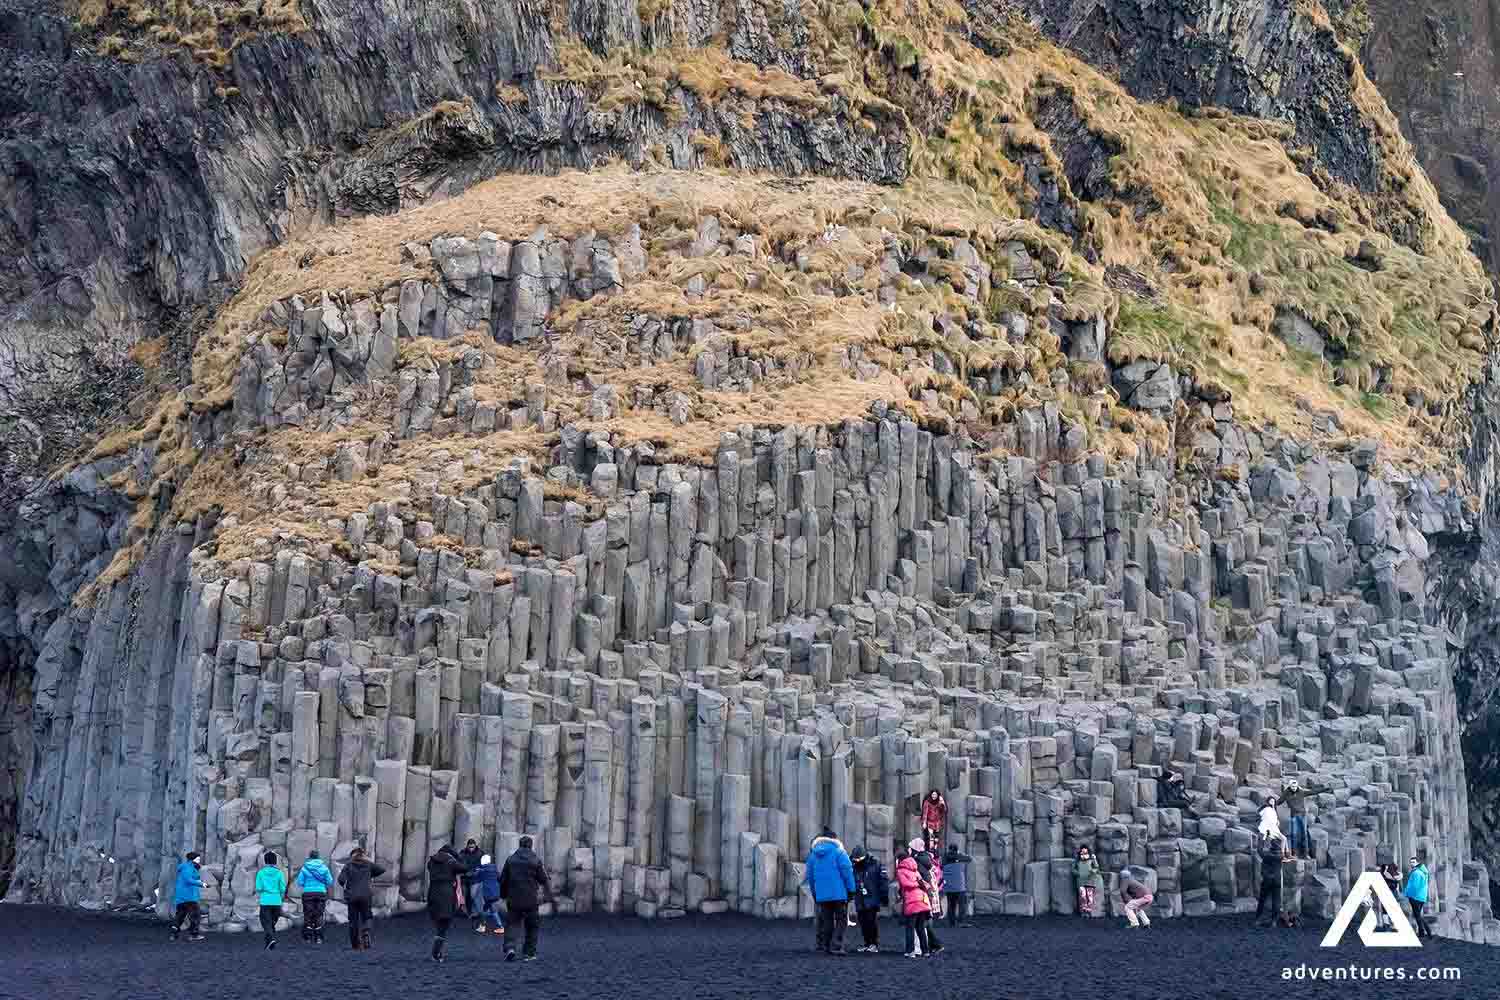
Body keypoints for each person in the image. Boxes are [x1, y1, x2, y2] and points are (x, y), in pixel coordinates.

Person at [500, 835, 554, 962]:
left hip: (514, 899)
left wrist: (503, 895)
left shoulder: (510, 860)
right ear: (531, 845)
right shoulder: (535, 860)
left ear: (519, 845)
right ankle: (529, 953)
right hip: (531, 899)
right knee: (532, 926)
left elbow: (503, 880)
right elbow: (544, 880)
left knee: (512, 924)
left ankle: (510, 948)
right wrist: (549, 897)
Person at [804, 827, 856, 955]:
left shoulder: (813, 856)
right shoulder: (839, 853)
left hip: (822, 896)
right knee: (841, 920)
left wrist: (815, 894)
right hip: (839, 895)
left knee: (827, 921)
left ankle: (826, 945)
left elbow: (810, 878)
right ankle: (836, 946)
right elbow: (847, 872)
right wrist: (851, 890)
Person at [338, 846, 385, 951]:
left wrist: (345, 885)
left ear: (352, 856)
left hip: (352, 897)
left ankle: (356, 945)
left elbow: (341, 880)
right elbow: (382, 870)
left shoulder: (348, 866)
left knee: (353, 921)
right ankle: (366, 931)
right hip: (366, 896)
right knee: (367, 916)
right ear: (363, 855)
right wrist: (369, 873)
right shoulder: (368, 865)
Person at [426, 843, 467, 962]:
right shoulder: (451, 862)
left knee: (438, 922)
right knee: (444, 925)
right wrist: (457, 856)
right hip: (447, 893)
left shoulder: (431, 862)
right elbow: (464, 868)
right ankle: (436, 953)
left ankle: (437, 951)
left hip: (433, 892)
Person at [849, 845, 888, 953]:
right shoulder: (853, 865)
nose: (857, 861)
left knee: (871, 921)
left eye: (858, 859)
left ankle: (873, 944)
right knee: (862, 922)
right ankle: (867, 943)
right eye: (855, 859)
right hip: (860, 899)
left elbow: (883, 881)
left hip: (872, 898)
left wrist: (884, 897)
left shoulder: (876, 864)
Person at [894, 845, 931, 958]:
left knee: (910, 927)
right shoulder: (914, 868)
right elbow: (923, 883)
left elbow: (905, 884)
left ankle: (910, 951)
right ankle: (926, 951)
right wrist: (918, 884)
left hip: (912, 901)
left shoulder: (901, 870)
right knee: (920, 927)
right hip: (921, 899)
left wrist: (914, 885)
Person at [1278, 779, 1329, 859]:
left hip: (1302, 815)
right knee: (1293, 835)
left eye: (1295, 786)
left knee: (1304, 834)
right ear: (1289, 786)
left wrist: (1324, 789)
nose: (1294, 788)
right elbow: (1279, 801)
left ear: (1297, 786)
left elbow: (1313, 792)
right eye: (1292, 786)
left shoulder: (1301, 792)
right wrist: (1269, 805)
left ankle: (1306, 854)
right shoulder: (1286, 794)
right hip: (1294, 815)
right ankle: (1294, 854)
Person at [910, 838, 944, 954]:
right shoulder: (927, 858)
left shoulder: (918, 861)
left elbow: (922, 878)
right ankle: (932, 945)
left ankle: (935, 944)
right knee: (926, 920)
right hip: (931, 892)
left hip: (925, 893)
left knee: (923, 922)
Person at [295, 849, 334, 943]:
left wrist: (308, 885)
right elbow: (330, 881)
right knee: (319, 914)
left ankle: (308, 937)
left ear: (310, 857)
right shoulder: (324, 868)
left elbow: (299, 882)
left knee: (308, 914)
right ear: (318, 857)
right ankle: (319, 938)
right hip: (321, 893)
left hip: (308, 893)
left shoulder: (305, 868)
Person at [255, 851, 288, 950]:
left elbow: (258, 888)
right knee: (272, 922)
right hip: (276, 901)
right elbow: (282, 888)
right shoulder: (279, 873)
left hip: (265, 901)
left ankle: (271, 939)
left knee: (266, 923)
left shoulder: (261, 873)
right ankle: (269, 943)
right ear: (275, 861)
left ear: (265, 861)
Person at [170, 851, 205, 941]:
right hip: (189, 896)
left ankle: (174, 934)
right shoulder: (188, 867)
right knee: (195, 915)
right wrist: (202, 884)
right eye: (198, 858)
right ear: (193, 859)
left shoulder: (186, 867)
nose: (199, 860)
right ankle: (194, 934)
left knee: (180, 916)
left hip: (182, 897)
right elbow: (188, 880)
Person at [1255, 834, 1285, 927]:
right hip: (1276, 880)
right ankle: (1274, 921)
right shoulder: (1281, 856)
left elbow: (1259, 850)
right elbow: (1283, 840)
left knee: (1262, 899)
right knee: (1276, 901)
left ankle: (1258, 919)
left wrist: (1262, 839)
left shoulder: (1267, 855)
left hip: (1267, 879)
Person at [471, 853, 505, 935]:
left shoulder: (482, 870)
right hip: (496, 893)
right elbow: (499, 878)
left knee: (483, 910)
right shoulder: (494, 868)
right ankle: (498, 926)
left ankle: (484, 926)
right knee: (492, 909)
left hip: (488, 894)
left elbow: (475, 877)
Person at [942, 844, 973, 927]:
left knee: (951, 905)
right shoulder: (959, 856)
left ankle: (951, 922)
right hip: (959, 886)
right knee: (962, 905)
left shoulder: (944, 857)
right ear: (956, 849)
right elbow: (969, 859)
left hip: (949, 886)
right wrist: (959, 854)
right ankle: (961, 922)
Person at [1403, 854, 1432, 939]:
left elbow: (1414, 886)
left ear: (1417, 863)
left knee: (1417, 915)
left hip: (1415, 897)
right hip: (1422, 897)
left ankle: (1424, 932)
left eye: (1413, 862)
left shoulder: (1416, 873)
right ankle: (1424, 932)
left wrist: (1407, 894)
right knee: (1418, 914)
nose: (1412, 864)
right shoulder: (1423, 872)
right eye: (1411, 862)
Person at [458, 838, 483, 926]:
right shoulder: (463, 852)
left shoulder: (480, 853)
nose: (471, 848)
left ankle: (474, 912)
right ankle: (465, 911)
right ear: (467, 846)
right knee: (464, 895)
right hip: (465, 877)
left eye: (472, 847)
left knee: (473, 896)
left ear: (475, 845)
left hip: (474, 878)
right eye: (470, 847)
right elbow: (459, 863)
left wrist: (474, 872)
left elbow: (482, 866)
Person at [1073, 845, 1101, 917]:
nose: (1084, 855)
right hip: (1080, 881)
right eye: (1082, 854)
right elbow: (1073, 869)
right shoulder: (1078, 861)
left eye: (1086, 853)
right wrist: (1077, 873)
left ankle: (1089, 910)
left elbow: (1097, 867)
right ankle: (1083, 911)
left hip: (1090, 881)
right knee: (1083, 896)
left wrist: (1093, 871)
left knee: (1090, 896)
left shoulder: (1091, 860)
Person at [1379, 862, 1402, 931]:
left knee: (1386, 910)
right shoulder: (1396, 874)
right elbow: (1397, 877)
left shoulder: (1385, 874)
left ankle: (1388, 925)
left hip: (1389, 892)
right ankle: (1391, 925)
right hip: (1392, 892)